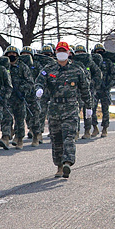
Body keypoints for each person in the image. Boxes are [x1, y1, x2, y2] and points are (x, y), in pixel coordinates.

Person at [34, 41, 92, 178]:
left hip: (71, 108)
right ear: (55, 53)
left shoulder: (77, 70)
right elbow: (39, 80)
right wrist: (39, 89)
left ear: (68, 53)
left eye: (64, 51)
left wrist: (88, 107)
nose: (61, 53)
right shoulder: (48, 69)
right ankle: (59, 166)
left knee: (69, 136)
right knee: (56, 139)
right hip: (54, 108)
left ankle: (67, 162)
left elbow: (85, 89)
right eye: (59, 51)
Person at [2, 45, 35, 149]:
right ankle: (5, 137)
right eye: (9, 54)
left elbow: (30, 82)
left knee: (20, 119)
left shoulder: (23, 67)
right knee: (6, 117)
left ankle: (19, 139)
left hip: (19, 97)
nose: (11, 56)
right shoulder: (4, 67)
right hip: (7, 97)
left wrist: (22, 90)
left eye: (13, 54)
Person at [93, 43, 115, 137]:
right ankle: (94, 127)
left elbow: (114, 75)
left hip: (105, 89)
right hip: (95, 89)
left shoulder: (108, 62)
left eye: (101, 51)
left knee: (105, 109)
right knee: (92, 109)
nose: (99, 52)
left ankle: (105, 128)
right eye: (97, 51)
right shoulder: (93, 61)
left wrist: (108, 85)